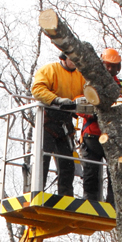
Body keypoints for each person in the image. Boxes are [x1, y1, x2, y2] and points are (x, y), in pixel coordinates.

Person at [80, 48, 122, 204]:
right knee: (91, 171)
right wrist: (91, 114)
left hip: (114, 136)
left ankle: (113, 203)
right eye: (108, 65)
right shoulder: (90, 83)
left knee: (116, 172)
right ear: (102, 64)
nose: (111, 69)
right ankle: (90, 202)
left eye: (114, 66)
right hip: (92, 133)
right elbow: (79, 105)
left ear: (119, 67)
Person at [31, 52, 86, 196]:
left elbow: (88, 94)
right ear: (63, 58)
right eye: (72, 59)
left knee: (67, 164)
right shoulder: (50, 70)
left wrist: (78, 104)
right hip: (48, 120)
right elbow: (37, 89)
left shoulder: (81, 77)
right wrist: (56, 100)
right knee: (43, 159)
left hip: (66, 123)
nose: (75, 61)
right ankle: (37, 192)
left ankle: (66, 196)